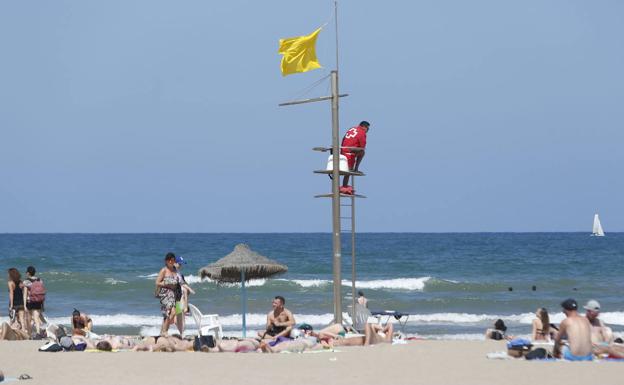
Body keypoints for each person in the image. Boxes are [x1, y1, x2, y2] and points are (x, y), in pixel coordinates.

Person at [340, 121, 370, 193]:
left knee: (348, 171)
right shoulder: (362, 132)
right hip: (349, 152)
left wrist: (342, 150)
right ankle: (344, 186)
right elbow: (363, 146)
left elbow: (343, 138)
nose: (368, 130)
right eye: (368, 128)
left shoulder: (352, 128)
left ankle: (344, 185)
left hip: (343, 149)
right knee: (362, 152)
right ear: (364, 127)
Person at [155, 252, 180, 336]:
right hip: (165, 293)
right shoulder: (164, 270)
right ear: (166, 261)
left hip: (173, 294)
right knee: (169, 312)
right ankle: (164, 332)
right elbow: (157, 282)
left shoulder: (175, 270)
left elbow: (179, 280)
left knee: (171, 313)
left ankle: (163, 331)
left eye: (173, 260)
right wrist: (167, 284)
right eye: (170, 260)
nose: (171, 262)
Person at [173, 255, 195, 336]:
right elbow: (179, 284)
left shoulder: (179, 273)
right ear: (174, 263)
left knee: (180, 316)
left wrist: (189, 289)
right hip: (176, 298)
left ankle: (181, 333)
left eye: (181, 264)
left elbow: (183, 283)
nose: (181, 266)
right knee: (178, 316)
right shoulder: (173, 273)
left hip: (180, 297)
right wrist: (188, 289)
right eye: (179, 264)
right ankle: (181, 333)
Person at [23, 265, 46, 336]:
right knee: (36, 317)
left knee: (28, 319)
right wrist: (43, 304)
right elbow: (42, 292)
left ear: (28, 273)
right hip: (39, 301)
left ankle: (29, 335)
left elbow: (25, 294)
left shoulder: (26, 281)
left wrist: (24, 305)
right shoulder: (40, 280)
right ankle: (38, 333)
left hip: (30, 301)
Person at [7, 268, 27, 334]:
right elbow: (24, 293)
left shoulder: (10, 283)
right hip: (21, 302)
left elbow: (11, 294)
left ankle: (10, 332)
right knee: (22, 319)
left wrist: (11, 305)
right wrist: (24, 304)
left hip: (14, 303)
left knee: (12, 319)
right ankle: (24, 331)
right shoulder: (21, 282)